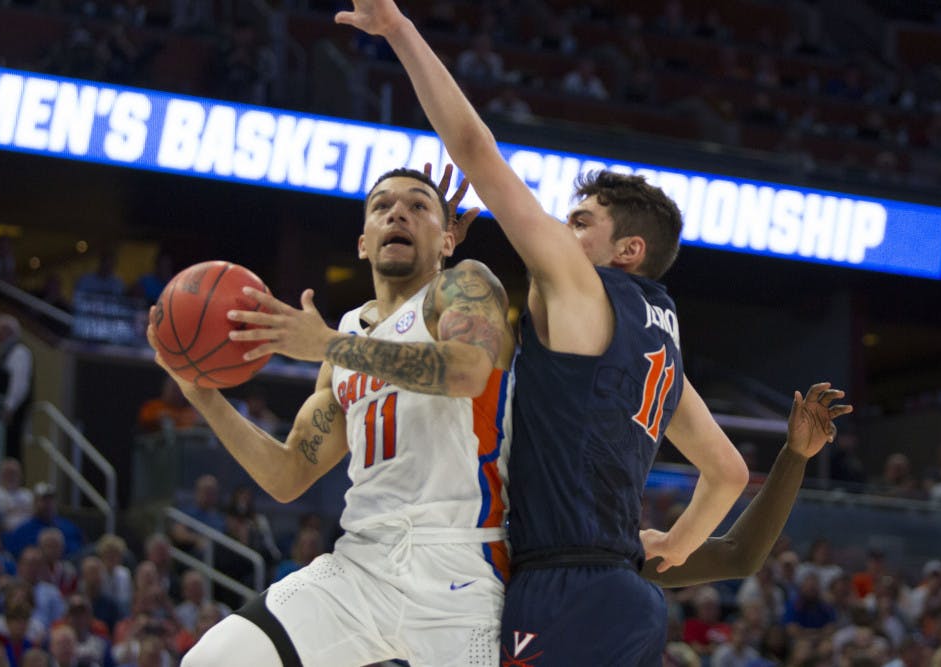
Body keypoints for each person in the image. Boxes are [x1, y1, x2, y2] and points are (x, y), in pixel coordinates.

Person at [335, 5, 859, 665]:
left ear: (627, 249)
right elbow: (725, 469)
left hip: (562, 582)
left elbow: (475, 151)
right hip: (625, 596)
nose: (562, 228)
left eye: (580, 221)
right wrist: (673, 543)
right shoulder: (659, 341)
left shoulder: (583, 289)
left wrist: (399, 32)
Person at [148, 166, 518, 666]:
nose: (398, 213)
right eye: (382, 206)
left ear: (448, 238)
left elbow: (468, 372)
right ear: (364, 243)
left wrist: (325, 343)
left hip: (461, 569)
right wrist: (202, 394)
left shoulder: (462, 287)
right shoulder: (348, 335)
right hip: (362, 565)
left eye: (418, 206)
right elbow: (287, 475)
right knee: (211, 661)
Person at [0, 314, 34, 461]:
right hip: (1, 411)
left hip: (12, 413)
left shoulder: (20, 352)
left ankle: (14, 482)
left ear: (8, 331)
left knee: (12, 450)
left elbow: (20, 384)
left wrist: (9, 408)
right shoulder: (4, 353)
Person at [0, 458, 35, 532]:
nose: (10, 476)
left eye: (14, 473)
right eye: (7, 473)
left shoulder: (28, 495)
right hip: (1, 534)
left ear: (21, 475)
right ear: (0, 475)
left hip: (26, 535)